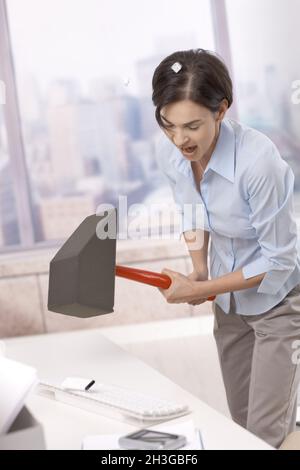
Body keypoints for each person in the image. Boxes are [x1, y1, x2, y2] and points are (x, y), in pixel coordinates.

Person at [151, 48, 300, 448]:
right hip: (231, 305)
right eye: (168, 125)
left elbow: (281, 259)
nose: (179, 139)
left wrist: (201, 289)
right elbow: (191, 212)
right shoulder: (171, 153)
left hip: (280, 302)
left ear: (221, 111)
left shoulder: (258, 163)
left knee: (265, 434)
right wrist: (200, 270)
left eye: (192, 126)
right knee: (242, 427)